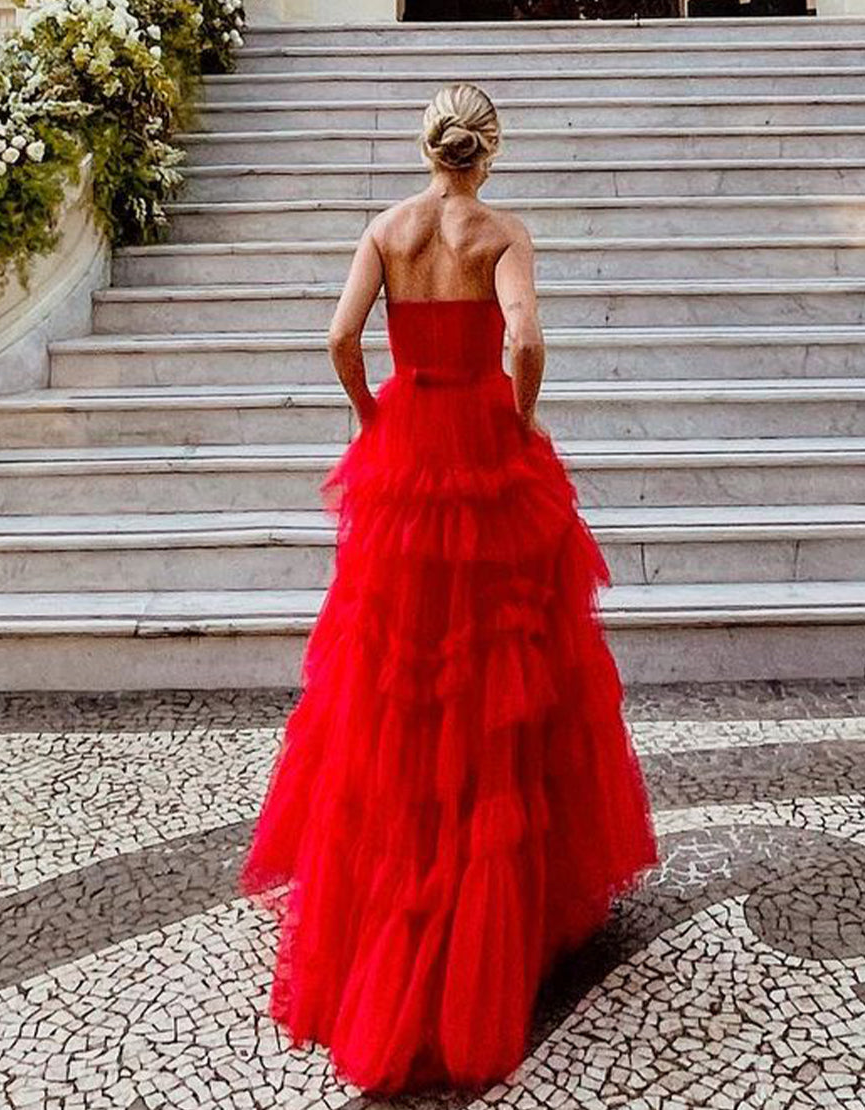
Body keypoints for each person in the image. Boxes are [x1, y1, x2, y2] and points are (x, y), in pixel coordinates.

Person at [240, 81, 660, 1096]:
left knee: (392, 664)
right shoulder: (501, 233)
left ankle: (388, 876)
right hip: (481, 440)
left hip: (407, 445)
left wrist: (370, 413)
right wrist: (519, 417)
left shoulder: (387, 229)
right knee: (503, 661)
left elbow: (340, 339)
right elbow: (526, 339)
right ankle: (499, 900)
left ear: (427, 148)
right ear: (489, 151)